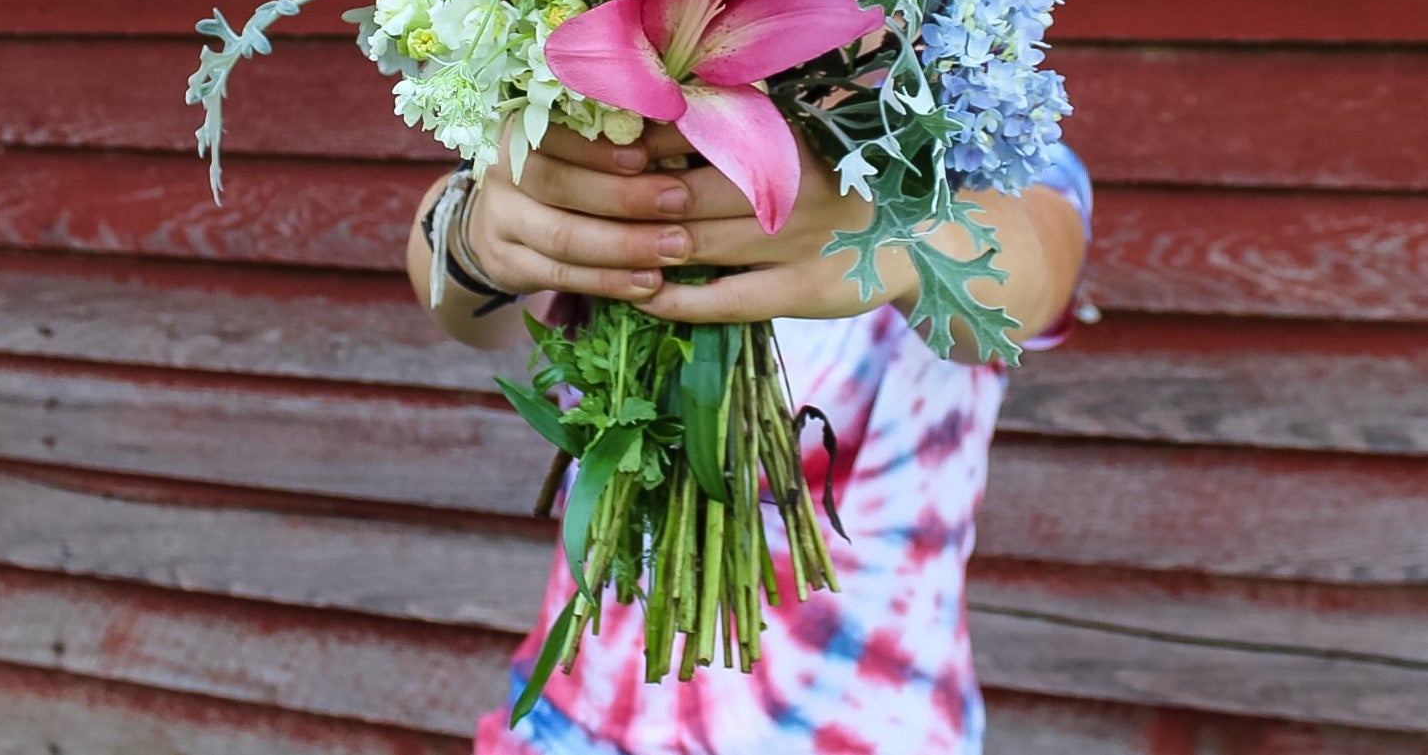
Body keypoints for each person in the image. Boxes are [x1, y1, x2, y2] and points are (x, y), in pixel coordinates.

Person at [405, 122, 1093, 755]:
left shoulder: (971, 141)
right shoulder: (616, 131)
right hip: (576, 718)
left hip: (854, 724)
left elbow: (1028, 272)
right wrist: (477, 226)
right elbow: (469, 302)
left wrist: (902, 225)